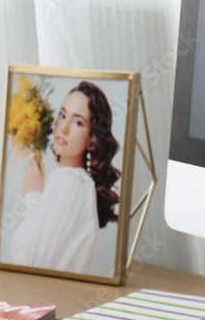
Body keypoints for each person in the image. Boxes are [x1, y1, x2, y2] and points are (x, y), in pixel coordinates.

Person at [8, 81, 121, 273]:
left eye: (78, 122)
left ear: (91, 137)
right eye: (62, 115)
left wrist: (33, 195)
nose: (64, 127)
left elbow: (32, 262)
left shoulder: (72, 182)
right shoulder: (75, 183)